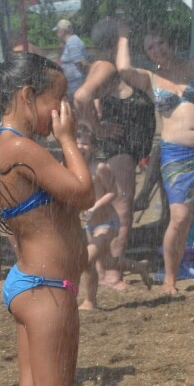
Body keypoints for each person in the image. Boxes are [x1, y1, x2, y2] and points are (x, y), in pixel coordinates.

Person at [0, 52, 104, 386]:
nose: (61, 111)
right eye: (56, 101)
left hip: (25, 281)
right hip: (48, 289)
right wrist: (67, 141)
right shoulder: (26, 147)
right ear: (26, 96)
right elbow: (82, 191)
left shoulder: (5, 144)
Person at [116, 21, 194, 294]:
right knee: (180, 216)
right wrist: (124, 35)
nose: (157, 49)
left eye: (160, 42)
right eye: (150, 46)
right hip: (176, 154)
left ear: (170, 42)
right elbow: (123, 69)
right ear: (146, 53)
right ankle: (170, 280)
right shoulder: (149, 79)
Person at [72, 18, 155, 290]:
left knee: (113, 210)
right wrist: (98, 128)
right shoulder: (107, 67)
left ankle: (107, 269)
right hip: (118, 149)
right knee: (121, 210)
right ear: (114, 41)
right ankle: (111, 275)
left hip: (122, 148)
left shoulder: (104, 67)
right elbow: (81, 97)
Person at [74, 124, 120, 311]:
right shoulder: (71, 169)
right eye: (77, 143)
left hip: (107, 223)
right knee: (107, 262)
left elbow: (114, 193)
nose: (80, 147)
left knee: (87, 259)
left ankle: (90, 301)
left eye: (85, 143)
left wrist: (94, 207)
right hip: (88, 226)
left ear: (93, 147)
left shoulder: (100, 168)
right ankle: (140, 267)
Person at [53, 19, 87, 99]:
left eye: (57, 31)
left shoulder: (72, 42)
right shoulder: (69, 42)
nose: (57, 33)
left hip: (75, 85)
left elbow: (82, 63)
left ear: (62, 31)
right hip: (72, 85)